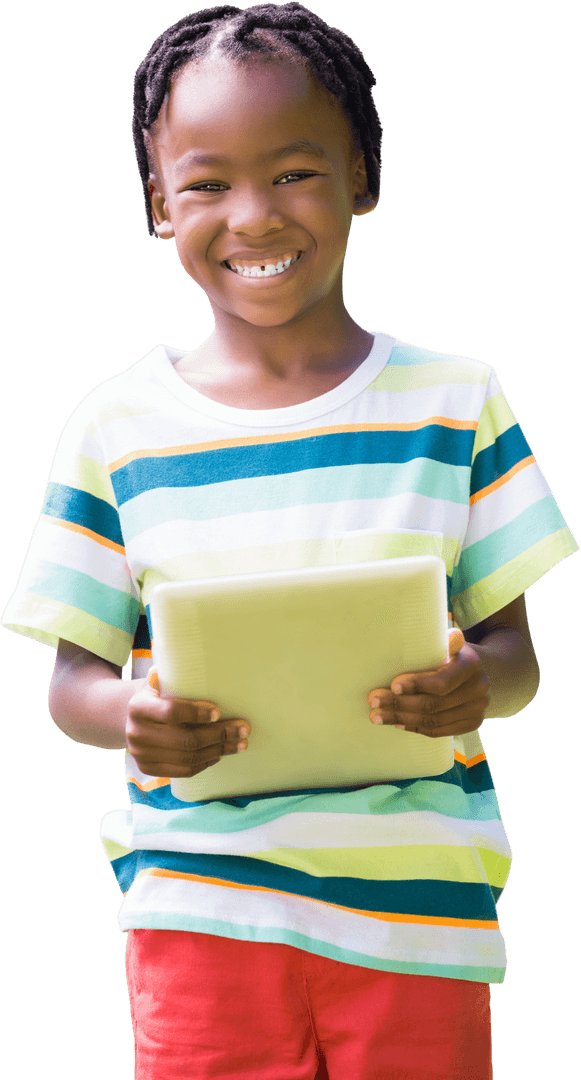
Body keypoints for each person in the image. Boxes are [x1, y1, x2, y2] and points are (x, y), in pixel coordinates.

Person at [2, 4, 578, 1078]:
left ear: (362, 175)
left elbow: (517, 662)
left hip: (418, 917)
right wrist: (135, 714)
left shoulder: (454, 404)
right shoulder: (112, 425)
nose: (254, 216)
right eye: (208, 182)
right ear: (155, 205)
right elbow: (71, 684)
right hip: (199, 913)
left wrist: (470, 688)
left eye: (296, 172)